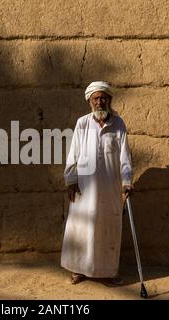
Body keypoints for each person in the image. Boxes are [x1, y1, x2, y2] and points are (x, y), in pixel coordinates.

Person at [61, 81, 133, 285]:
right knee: (81, 227)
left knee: (107, 228)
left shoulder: (118, 124)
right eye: (96, 98)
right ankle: (78, 270)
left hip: (110, 187)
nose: (99, 102)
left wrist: (127, 181)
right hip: (84, 187)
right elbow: (73, 153)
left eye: (103, 98)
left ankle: (108, 272)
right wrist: (71, 180)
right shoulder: (82, 123)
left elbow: (125, 157)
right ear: (90, 101)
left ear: (109, 100)